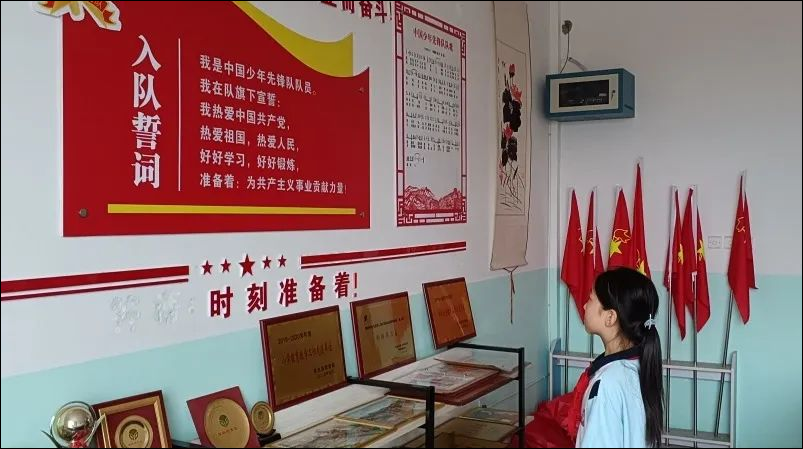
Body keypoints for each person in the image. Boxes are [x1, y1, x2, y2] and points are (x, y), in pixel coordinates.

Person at [576, 267, 664, 448]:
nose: (584, 306)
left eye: (590, 299)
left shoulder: (607, 385)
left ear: (610, 317)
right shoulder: (639, 364)